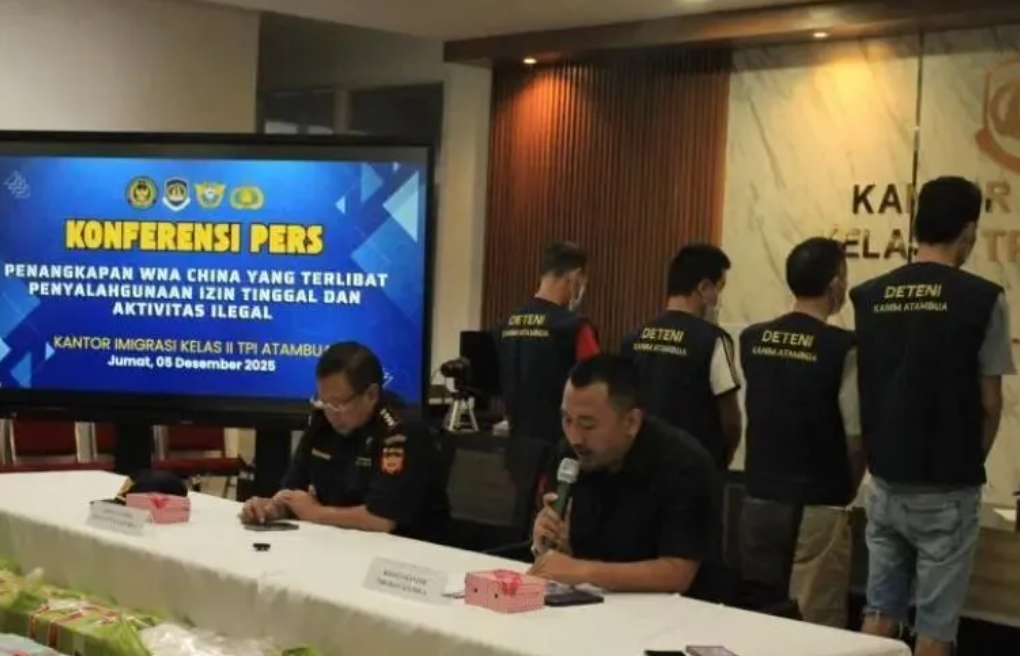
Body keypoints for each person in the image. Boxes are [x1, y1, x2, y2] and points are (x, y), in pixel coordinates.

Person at [851, 177, 1015, 656]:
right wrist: (966, 462)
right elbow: (991, 404)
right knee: (935, 628)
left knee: (878, 613)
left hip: (885, 482)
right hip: (948, 488)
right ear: (968, 230)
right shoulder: (983, 299)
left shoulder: (869, 295)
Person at [739, 237, 863, 628]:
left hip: (759, 496)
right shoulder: (843, 347)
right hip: (819, 501)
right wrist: (848, 486)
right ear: (835, 283)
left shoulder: (753, 339)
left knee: (757, 613)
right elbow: (855, 436)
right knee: (813, 620)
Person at [528, 354, 722, 597]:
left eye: (588, 425)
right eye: (567, 420)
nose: (575, 438)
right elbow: (567, 557)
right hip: (593, 602)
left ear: (631, 422)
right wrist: (546, 544)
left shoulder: (684, 464)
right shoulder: (570, 455)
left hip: (678, 610)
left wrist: (583, 571)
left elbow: (677, 574)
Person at [240, 342, 449, 540]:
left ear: (371, 394)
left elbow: (381, 520)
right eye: (323, 400)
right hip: (338, 542)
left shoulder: (400, 430)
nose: (330, 412)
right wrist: (271, 508)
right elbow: (293, 491)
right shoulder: (322, 420)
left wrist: (316, 513)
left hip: (408, 553)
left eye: (338, 404)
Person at [621, 244, 741, 469]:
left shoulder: (632, 338)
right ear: (704, 288)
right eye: (719, 289)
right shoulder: (714, 340)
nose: (718, 300)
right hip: (694, 468)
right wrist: (720, 462)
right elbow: (731, 421)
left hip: (639, 464)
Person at [499, 241, 600, 444]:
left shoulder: (507, 324)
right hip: (560, 445)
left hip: (516, 445)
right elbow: (597, 385)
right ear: (575, 277)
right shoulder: (574, 327)